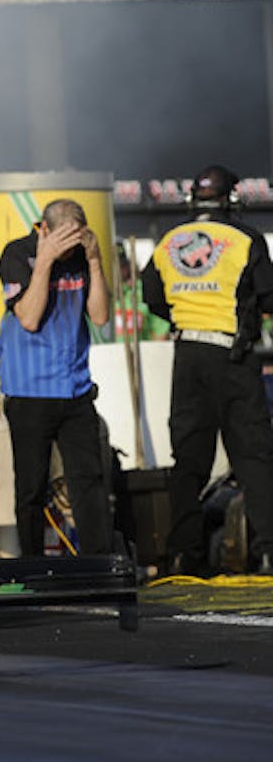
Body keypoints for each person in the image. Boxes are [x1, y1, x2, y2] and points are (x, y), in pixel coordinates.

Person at [140, 164, 273, 576]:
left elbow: (152, 296)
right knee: (253, 457)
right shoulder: (245, 238)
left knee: (188, 461)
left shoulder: (169, 241)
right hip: (232, 357)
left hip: (188, 357)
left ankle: (186, 556)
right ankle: (268, 552)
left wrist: (187, 315)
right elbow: (268, 295)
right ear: (230, 198)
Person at [0, 198, 114, 556]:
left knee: (89, 480)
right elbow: (29, 318)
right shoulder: (17, 254)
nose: (68, 251)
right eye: (63, 239)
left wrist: (94, 260)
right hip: (29, 390)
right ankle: (33, 565)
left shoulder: (81, 256)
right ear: (44, 229)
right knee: (31, 487)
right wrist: (46, 259)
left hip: (75, 388)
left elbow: (100, 317)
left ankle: (97, 562)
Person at [114, 247, 170, 342]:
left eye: (122, 266)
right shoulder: (94, 295)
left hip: (141, 350)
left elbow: (160, 332)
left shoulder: (143, 291)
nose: (118, 271)